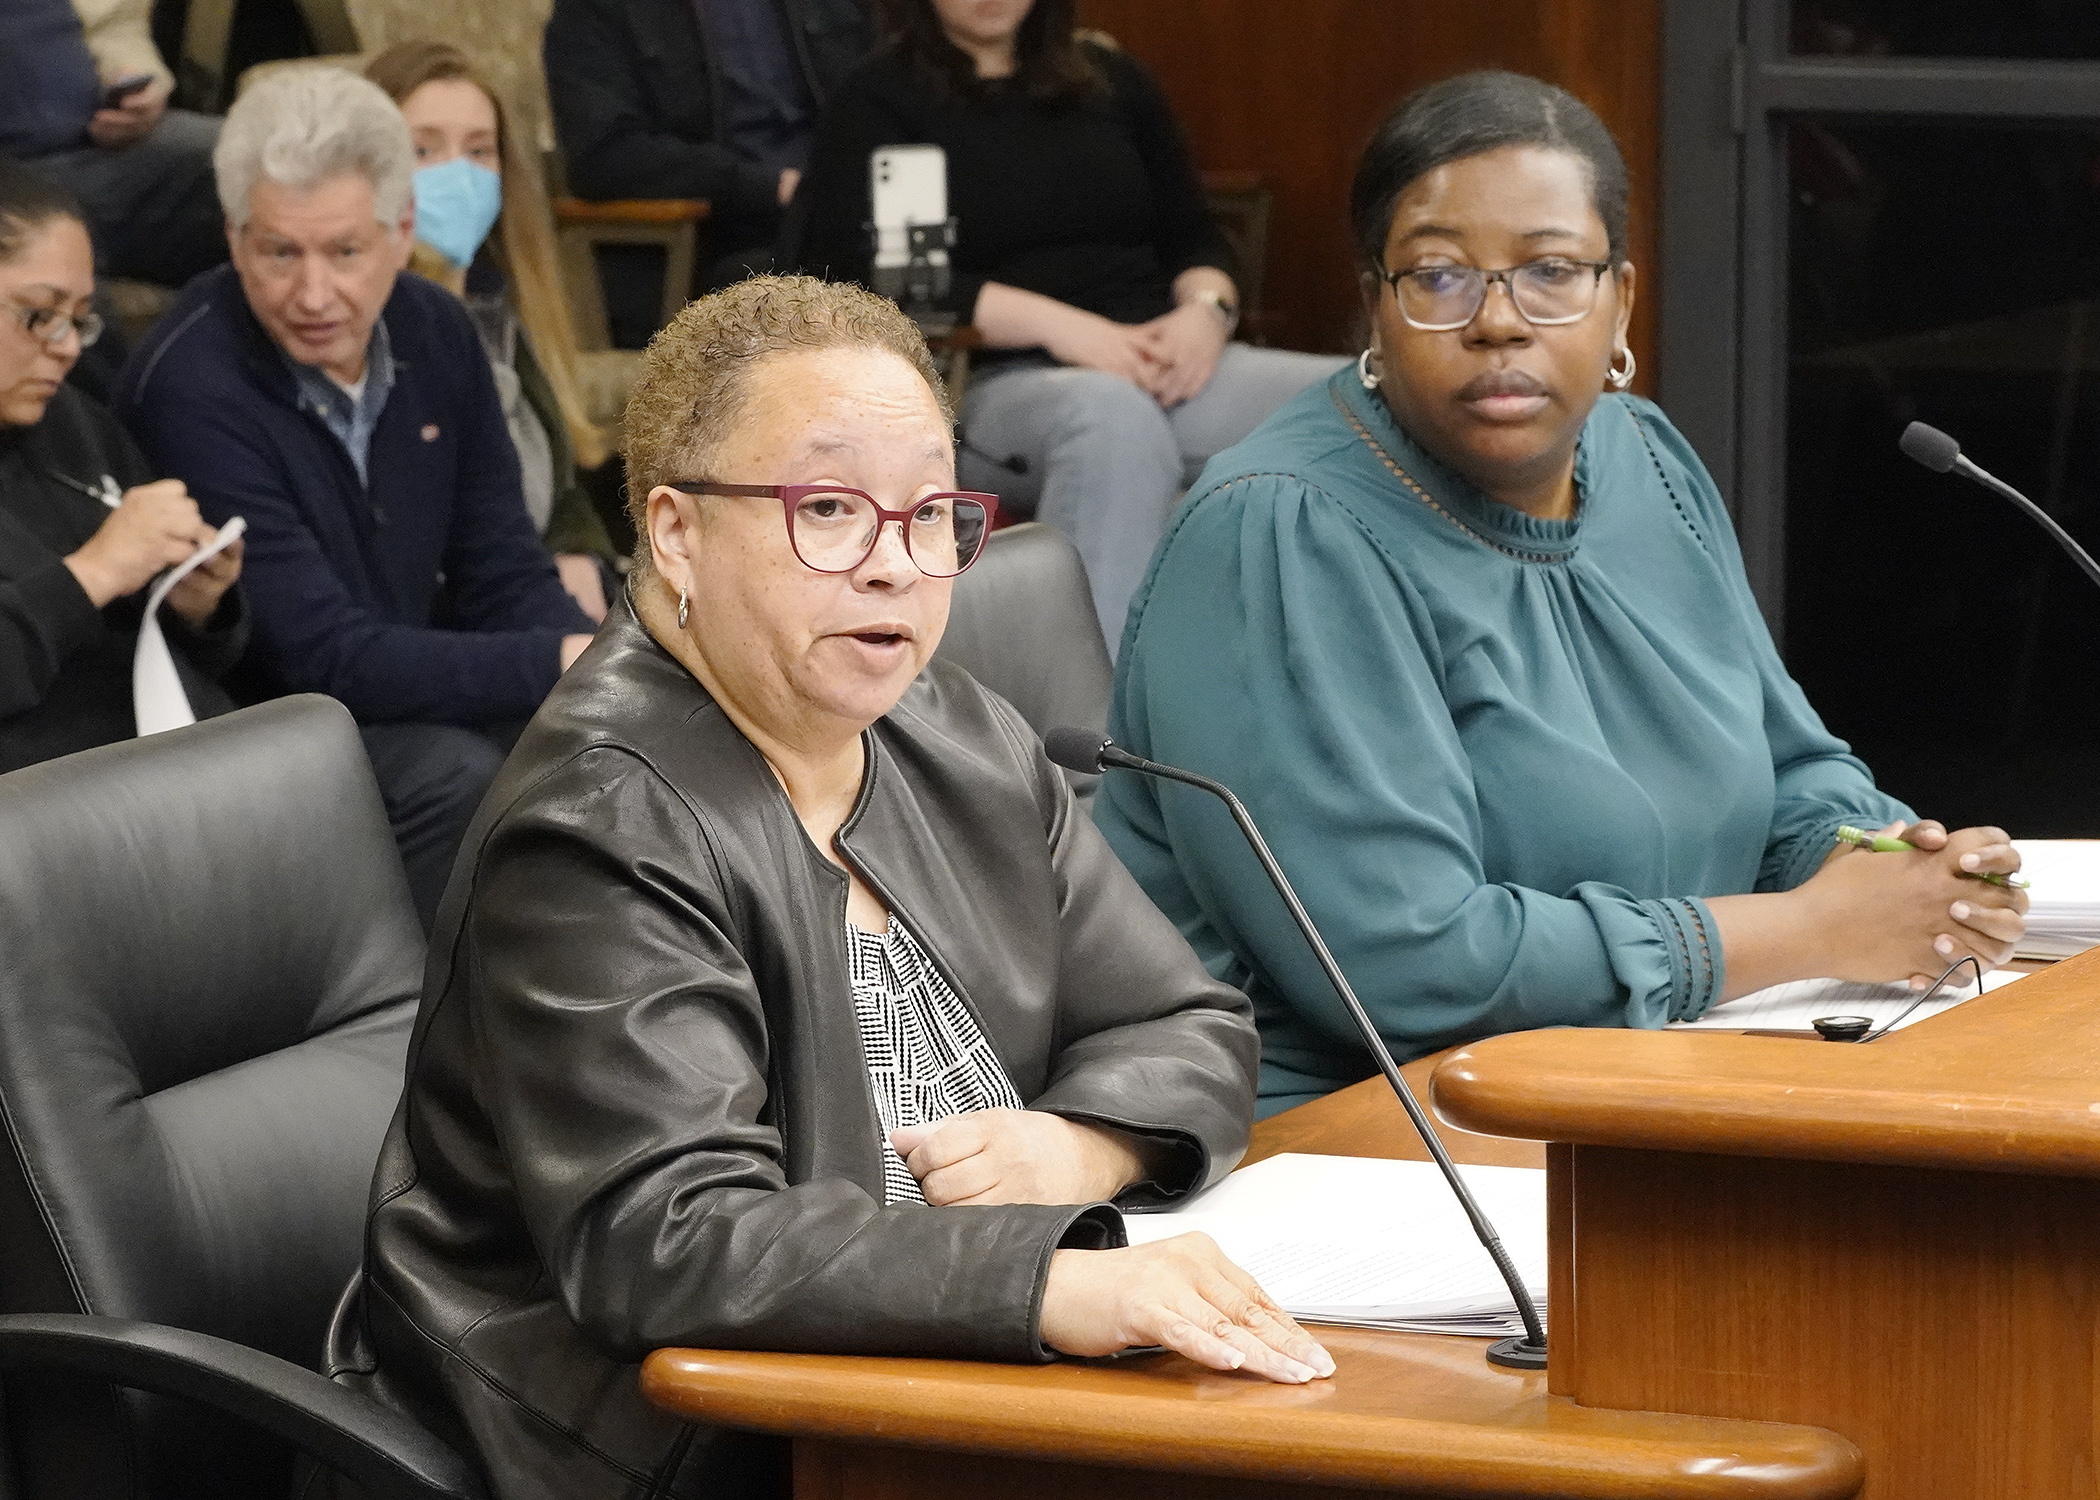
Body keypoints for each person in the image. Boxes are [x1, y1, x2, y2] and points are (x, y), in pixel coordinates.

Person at [323, 274, 1331, 1498]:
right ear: (679, 533)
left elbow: (1185, 1021)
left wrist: (1083, 1152)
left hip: (940, 1393)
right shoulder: (599, 823)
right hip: (674, 1444)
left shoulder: (951, 729)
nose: (895, 567)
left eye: (927, 516)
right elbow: (673, 1240)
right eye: (831, 511)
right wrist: (1049, 1280)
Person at [1095, 71, 2029, 1115]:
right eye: (1440, 277)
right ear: (1375, 306)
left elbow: (1788, 771)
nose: (1499, 321)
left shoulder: (1644, 456)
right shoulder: (1279, 533)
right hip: (1361, 1138)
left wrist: (1892, 869)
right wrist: (1814, 931)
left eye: (1549, 271)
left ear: (1620, 298)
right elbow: (1406, 972)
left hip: (1645, 1079)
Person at [116, 66, 595, 930]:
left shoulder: (437, 332)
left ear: (401, 230)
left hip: (397, 678)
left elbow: (502, 570)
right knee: (464, 769)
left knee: (599, 743)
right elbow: (320, 660)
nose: (312, 294)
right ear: (233, 238)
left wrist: (592, 667)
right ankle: (422, 1045)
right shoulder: (191, 384)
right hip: (262, 725)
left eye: (344, 251)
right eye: (278, 252)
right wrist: (551, 666)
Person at [789, 0, 1346, 652]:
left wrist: (1205, 315)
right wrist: (1064, 330)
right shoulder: (882, 99)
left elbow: (1196, 236)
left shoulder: (1112, 79)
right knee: (1112, 418)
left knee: (1358, 401)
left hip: (1160, 359)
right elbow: (898, 285)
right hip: (995, 376)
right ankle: (1088, 736)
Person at [0, 161, 243, 774]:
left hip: (172, 756)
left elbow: (199, 661)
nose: (66, 345)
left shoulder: (73, 420)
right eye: (38, 314)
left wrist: (196, 605)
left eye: (80, 318)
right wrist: (94, 573)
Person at [364, 40, 619, 622]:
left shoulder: (501, 312)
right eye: (423, 149)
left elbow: (558, 486)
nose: (457, 173)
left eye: (480, 152)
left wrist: (577, 550)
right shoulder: (360, 334)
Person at [544, 0, 872, 341]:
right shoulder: (597, 10)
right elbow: (604, 155)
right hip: (716, 244)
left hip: (846, 224)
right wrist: (769, 186)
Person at [0, 0, 224, 291]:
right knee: (60, 293)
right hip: (13, 177)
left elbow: (115, 24)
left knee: (247, 159)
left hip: (102, 149)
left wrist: (134, 86)